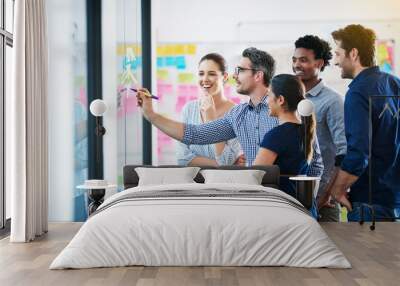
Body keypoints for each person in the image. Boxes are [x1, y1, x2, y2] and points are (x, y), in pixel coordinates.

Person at [136, 47, 324, 177]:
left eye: (240, 70)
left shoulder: (284, 111)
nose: (234, 76)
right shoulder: (238, 115)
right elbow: (195, 134)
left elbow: (314, 163)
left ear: (258, 75)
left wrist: (309, 201)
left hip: (288, 204)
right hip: (257, 200)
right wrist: (151, 114)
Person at [320, 24, 400, 221]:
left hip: (370, 203)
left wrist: (337, 191)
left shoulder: (357, 92)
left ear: (353, 53)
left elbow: (358, 153)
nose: (336, 61)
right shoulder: (395, 84)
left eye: (338, 54)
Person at [293, 35, 347, 222]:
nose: (297, 65)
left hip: (324, 201)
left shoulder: (332, 101)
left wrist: (329, 193)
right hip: (294, 198)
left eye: (303, 60)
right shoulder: (291, 99)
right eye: (295, 60)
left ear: (319, 63)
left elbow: (344, 151)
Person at [254, 74, 316, 198]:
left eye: (269, 95)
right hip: (302, 205)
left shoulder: (277, 135)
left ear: (280, 100)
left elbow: (254, 176)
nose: (267, 101)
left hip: (284, 206)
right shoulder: (304, 130)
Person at [176, 53, 243, 166]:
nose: (205, 79)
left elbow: (229, 160)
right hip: (194, 182)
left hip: (224, 182)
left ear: (225, 76)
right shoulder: (189, 109)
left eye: (211, 74)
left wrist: (212, 121)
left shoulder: (237, 113)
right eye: (201, 74)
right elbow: (182, 159)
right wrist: (219, 165)